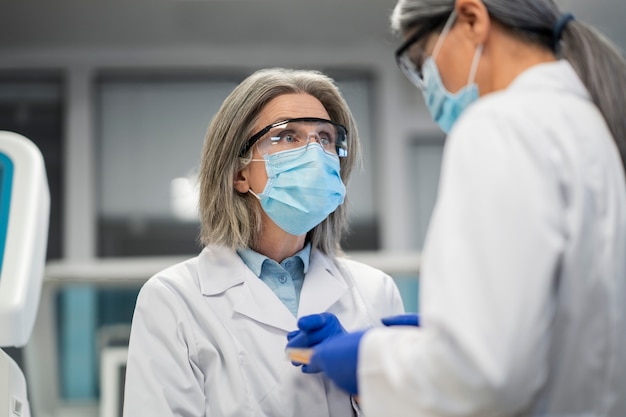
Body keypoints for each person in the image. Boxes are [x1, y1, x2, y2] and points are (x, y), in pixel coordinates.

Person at [287, 0, 626, 416]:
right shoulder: (588, 126)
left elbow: (481, 375)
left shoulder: (500, 124)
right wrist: (447, 333)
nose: (429, 86)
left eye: (423, 62)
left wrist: (373, 358)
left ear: (470, 20)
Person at [122, 67, 406, 417]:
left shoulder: (376, 292)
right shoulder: (173, 299)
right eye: (288, 136)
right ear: (239, 173)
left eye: (325, 137)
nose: (314, 153)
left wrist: (369, 387)